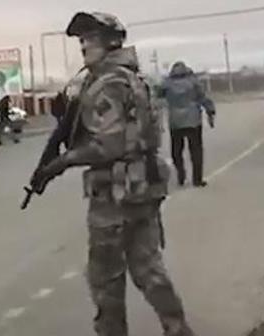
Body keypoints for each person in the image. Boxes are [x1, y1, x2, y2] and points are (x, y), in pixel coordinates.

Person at [29, 12, 195, 336]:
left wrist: (61, 163)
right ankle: (177, 328)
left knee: (105, 276)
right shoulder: (131, 77)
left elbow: (108, 145)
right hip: (141, 187)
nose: (83, 45)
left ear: (112, 41)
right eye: (81, 39)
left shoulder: (107, 83)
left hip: (115, 194)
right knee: (148, 268)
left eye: (91, 38)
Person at [158, 61, 216, 187]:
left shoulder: (167, 83)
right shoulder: (193, 82)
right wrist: (210, 112)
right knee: (196, 151)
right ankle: (197, 179)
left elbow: (157, 95)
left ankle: (181, 174)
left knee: (176, 151)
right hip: (193, 120)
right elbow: (203, 98)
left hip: (175, 122)